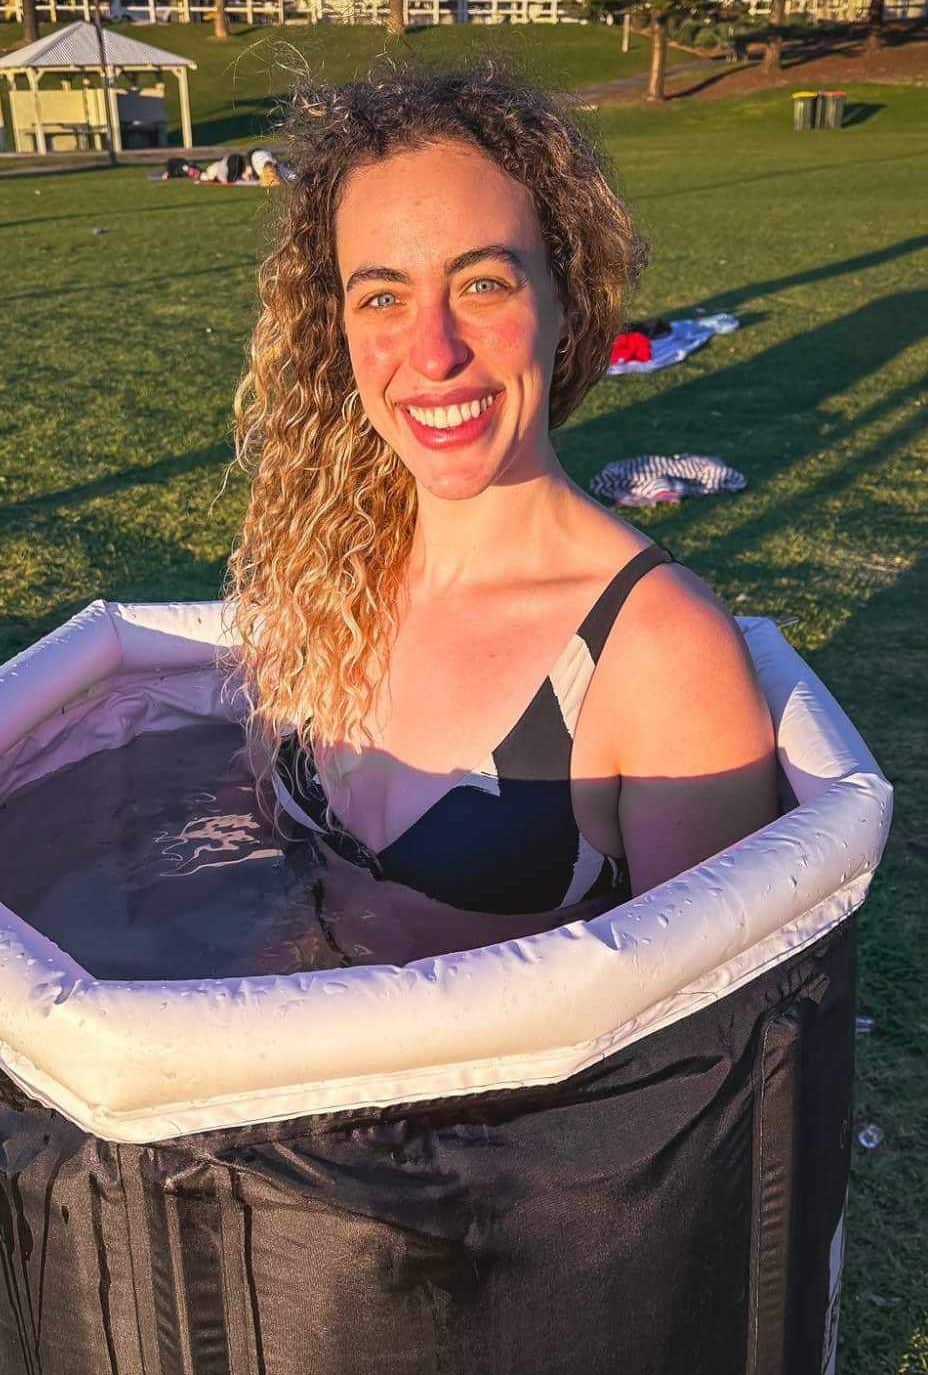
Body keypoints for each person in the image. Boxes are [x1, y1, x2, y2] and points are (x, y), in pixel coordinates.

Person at [221, 65, 778, 964]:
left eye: (483, 284)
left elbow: (701, 1039)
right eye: (383, 296)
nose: (432, 354)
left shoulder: (662, 651)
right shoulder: (324, 569)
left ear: (567, 300)